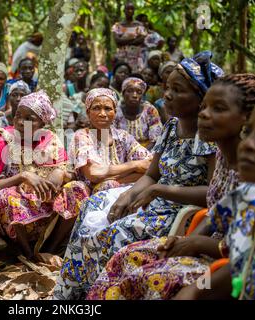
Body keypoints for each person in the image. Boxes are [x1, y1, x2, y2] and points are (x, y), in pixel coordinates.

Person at [54, 51, 222, 300]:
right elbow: (151, 174)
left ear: (200, 98)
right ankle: (69, 294)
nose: (167, 95)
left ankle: (100, 294)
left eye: (177, 90)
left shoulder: (208, 137)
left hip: (178, 210)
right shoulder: (172, 127)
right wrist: (130, 195)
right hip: (153, 199)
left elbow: (212, 194)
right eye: (167, 88)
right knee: (93, 205)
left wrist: (155, 191)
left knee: (115, 233)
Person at [86, 74, 255, 300]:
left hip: (225, 266)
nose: (203, 114)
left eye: (218, 108)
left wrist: (197, 277)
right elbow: (217, 213)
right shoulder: (226, 160)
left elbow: (243, 258)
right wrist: (186, 241)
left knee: (145, 277)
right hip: (210, 251)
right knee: (124, 258)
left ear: (244, 120)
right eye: (205, 106)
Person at [174, 94, 255, 300]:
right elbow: (239, 266)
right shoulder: (250, 198)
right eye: (248, 131)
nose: (248, 144)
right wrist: (195, 290)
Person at [0, 90, 89, 260]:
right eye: (18, 115)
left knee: (78, 189)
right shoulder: (1, 140)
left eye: (30, 119)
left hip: (46, 204)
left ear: (42, 123)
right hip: (15, 213)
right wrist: (23, 177)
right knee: (8, 197)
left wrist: (60, 174)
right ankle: (27, 253)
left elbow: (69, 173)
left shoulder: (50, 139)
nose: (21, 122)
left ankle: (50, 249)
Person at [68, 88, 152, 195]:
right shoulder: (82, 136)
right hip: (90, 194)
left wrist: (115, 180)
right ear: (88, 112)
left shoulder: (123, 136)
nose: (102, 114)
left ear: (115, 113)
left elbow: (149, 165)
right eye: (96, 108)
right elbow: (94, 173)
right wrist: (134, 165)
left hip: (122, 190)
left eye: (108, 108)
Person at [114, 77, 162, 150]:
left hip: (147, 151)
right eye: (129, 91)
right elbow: (111, 137)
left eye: (139, 92)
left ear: (142, 96)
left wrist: (141, 154)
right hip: (121, 151)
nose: (134, 95)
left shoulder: (150, 110)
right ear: (123, 93)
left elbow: (155, 140)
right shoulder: (116, 111)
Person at [112, 2, 148, 72]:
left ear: (134, 11)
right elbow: (117, 41)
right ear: (124, 11)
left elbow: (140, 41)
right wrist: (134, 37)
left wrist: (124, 40)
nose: (130, 11)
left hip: (135, 58)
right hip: (121, 58)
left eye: (132, 9)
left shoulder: (139, 25)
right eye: (128, 9)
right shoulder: (118, 26)